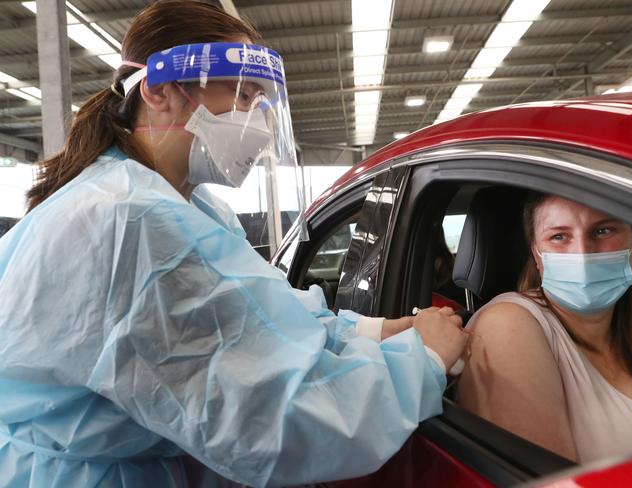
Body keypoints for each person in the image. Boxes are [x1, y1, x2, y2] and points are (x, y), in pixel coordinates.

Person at [0, 1, 467, 487]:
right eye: (243, 96)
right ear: (161, 91)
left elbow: (266, 316)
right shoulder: (130, 221)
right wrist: (422, 361)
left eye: (260, 101)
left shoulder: (184, 207)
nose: (256, 122)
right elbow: (265, 421)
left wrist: (377, 332)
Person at [457, 192, 632, 463]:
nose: (583, 253)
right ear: (537, 254)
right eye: (559, 236)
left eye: (603, 230)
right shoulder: (507, 325)